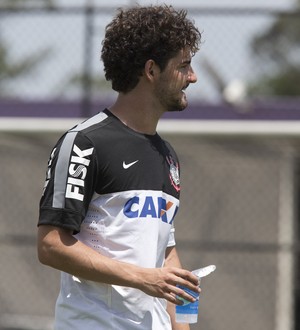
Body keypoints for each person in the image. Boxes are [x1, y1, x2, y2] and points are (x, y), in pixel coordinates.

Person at [37, 4, 202, 330]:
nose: (193, 77)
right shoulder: (84, 143)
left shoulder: (166, 155)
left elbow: (165, 255)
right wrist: (142, 278)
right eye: (184, 66)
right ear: (152, 70)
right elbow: (50, 244)